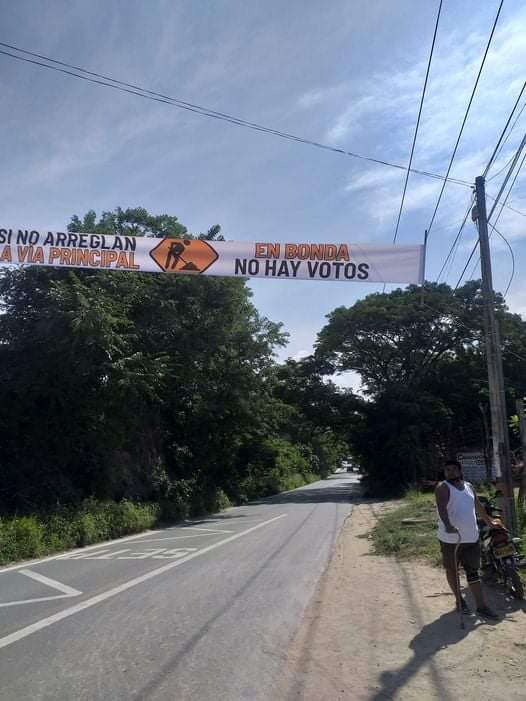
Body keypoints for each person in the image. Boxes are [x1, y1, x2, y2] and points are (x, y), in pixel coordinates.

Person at [435, 459, 499, 620]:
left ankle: (481, 606)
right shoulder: (443, 487)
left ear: (460, 471)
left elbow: (478, 507)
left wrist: (490, 522)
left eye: (454, 469)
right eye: (447, 470)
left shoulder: (469, 486)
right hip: (451, 540)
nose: (450, 472)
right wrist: (448, 524)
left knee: (473, 572)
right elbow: (441, 507)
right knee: (452, 570)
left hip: (471, 537)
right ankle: (460, 600)